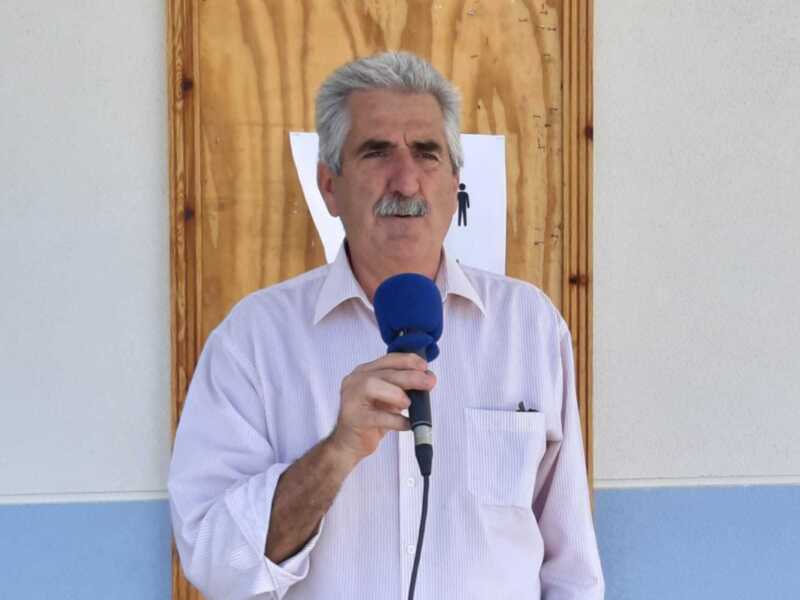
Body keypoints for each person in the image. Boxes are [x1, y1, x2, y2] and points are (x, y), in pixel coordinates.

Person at [168, 51, 604, 599]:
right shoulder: (252, 340)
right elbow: (213, 559)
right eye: (377, 153)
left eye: (426, 154)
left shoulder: (530, 327)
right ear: (330, 185)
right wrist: (337, 450)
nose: (405, 181)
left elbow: (571, 569)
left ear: (454, 184)